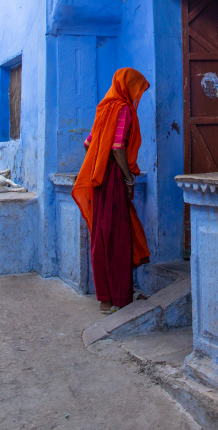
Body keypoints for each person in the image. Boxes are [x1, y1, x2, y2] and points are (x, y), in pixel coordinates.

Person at [72, 68, 150, 314]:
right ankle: (121, 297)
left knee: (102, 235)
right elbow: (118, 148)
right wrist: (128, 179)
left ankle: (105, 299)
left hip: (100, 179)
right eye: (137, 89)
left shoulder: (104, 108)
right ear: (127, 87)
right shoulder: (123, 109)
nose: (137, 95)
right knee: (118, 235)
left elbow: (88, 143)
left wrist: (99, 165)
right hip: (115, 178)